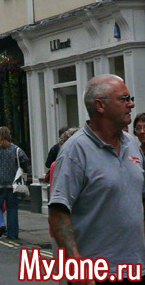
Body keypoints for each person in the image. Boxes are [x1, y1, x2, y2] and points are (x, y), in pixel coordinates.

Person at [49, 75, 145, 282]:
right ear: (100, 105)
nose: (131, 104)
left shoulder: (132, 144)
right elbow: (58, 214)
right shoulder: (75, 151)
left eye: (130, 98)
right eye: (124, 99)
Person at [0, 126, 29, 239]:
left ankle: (0, 224)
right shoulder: (15, 149)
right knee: (12, 207)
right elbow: (25, 160)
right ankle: (13, 234)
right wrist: (20, 169)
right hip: (12, 183)